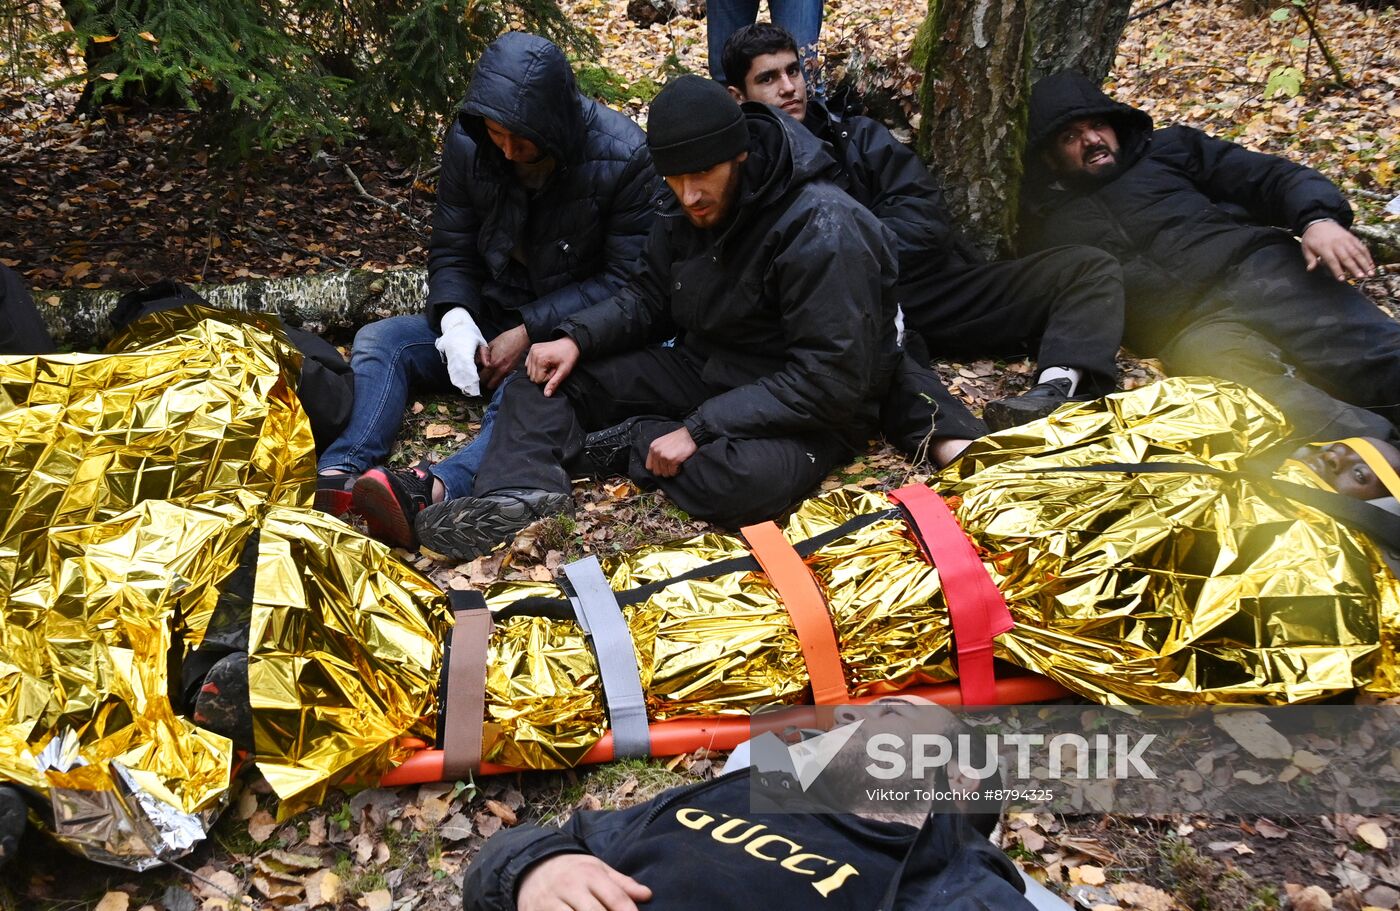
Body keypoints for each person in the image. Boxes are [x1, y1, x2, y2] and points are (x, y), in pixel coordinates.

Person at [411, 75, 975, 562]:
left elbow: (830, 379)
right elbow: (648, 298)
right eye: (674, 179)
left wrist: (698, 429)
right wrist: (576, 338)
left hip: (805, 411)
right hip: (706, 367)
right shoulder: (683, 202)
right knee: (545, 376)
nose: (691, 195)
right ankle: (516, 497)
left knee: (740, 483)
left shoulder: (824, 227)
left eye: (703, 174)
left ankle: (635, 440)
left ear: (740, 155)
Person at [315, 32, 661, 548]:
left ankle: (430, 489)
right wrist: (456, 317)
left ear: (555, 122)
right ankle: (341, 473)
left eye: (522, 139)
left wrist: (531, 331)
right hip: (493, 314)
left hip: (572, 335)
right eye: (497, 133)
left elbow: (627, 282)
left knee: (527, 396)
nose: (508, 149)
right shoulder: (471, 143)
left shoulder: (624, 155)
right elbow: (452, 247)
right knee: (380, 341)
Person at [721, 24, 1128, 430]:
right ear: (738, 97)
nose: (789, 87)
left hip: (927, 289)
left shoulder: (857, 138)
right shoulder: (738, 173)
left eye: (793, 71)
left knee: (1087, 268)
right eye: (769, 78)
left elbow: (924, 218)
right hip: (842, 318)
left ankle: (1056, 389)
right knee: (887, 370)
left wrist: (854, 256)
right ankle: (966, 446)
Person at [1020, 70, 1400, 443]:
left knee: (1375, 355)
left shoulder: (1169, 149)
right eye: (1070, 136)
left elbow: (1268, 177)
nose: (1091, 140)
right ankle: (1378, 465)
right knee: (1278, 413)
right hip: (1187, 329)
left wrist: (1319, 218)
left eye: (1097, 125)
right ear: (1050, 158)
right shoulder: (1042, 224)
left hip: (1261, 273)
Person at [461, 697, 1039, 911]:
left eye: (891, 712)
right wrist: (538, 868)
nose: (843, 715)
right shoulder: (742, 794)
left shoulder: (957, 888)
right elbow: (540, 844)